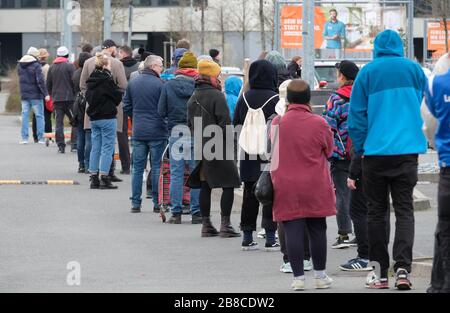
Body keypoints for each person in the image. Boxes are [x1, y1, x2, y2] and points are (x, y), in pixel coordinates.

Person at [348, 30, 428, 290]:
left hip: (375, 153)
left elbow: (357, 118)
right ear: (400, 46)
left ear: (377, 48)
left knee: (376, 212)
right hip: (407, 152)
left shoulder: (367, 73)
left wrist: (361, 148)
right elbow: (424, 107)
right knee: (405, 210)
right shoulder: (415, 70)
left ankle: (380, 273)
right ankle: (403, 270)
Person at [271, 79, 336, 291]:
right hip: (314, 183)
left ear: (288, 99)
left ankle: (298, 278)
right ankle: (320, 275)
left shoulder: (277, 124)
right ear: (308, 98)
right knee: (317, 229)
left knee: (292, 230)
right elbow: (329, 150)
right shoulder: (319, 123)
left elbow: (271, 152)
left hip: (285, 185)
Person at [187, 60, 241, 238]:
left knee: (205, 185)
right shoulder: (217, 96)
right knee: (229, 183)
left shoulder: (193, 96)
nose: (219, 78)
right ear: (211, 75)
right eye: (218, 74)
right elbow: (225, 123)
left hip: (202, 145)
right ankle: (225, 225)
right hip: (219, 145)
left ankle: (206, 225)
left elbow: (190, 123)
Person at [233, 60, 279, 250]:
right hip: (269, 152)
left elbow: (235, 123)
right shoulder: (275, 98)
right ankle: (270, 237)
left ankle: (247, 236)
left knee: (249, 193)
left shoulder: (243, 97)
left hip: (248, 151)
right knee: (269, 193)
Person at [158, 51, 201, 224]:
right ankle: (196, 212)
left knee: (176, 173)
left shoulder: (168, 85)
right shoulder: (199, 86)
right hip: (195, 132)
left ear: (179, 67)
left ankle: (176, 213)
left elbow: (161, 111)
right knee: (195, 174)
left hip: (176, 132)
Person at [123, 55, 168, 213]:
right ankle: (157, 203)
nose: (162, 69)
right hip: (157, 130)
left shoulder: (133, 82)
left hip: (139, 130)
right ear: (154, 66)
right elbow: (164, 109)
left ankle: (135, 203)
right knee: (156, 167)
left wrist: (135, 118)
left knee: (137, 168)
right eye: (161, 66)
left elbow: (126, 105)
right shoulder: (161, 84)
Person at [322, 60, 359, 248]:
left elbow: (328, 127)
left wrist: (328, 151)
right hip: (361, 153)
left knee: (342, 194)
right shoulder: (363, 95)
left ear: (342, 76)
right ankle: (361, 234)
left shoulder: (336, 99)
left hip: (341, 154)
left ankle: (344, 233)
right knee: (362, 194)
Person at [80, 39, 128, 183]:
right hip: (109, 111)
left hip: (93, 112)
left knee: (95, 144)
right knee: (108, 145)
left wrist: (90, 99)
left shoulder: (88, 64)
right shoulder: (117, 65)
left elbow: (82, 86)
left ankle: (93, 173)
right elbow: (123, 86)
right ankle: (106, 174)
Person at [424, 58, 450, 293]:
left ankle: (441, 285)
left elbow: (430, 125)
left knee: (445, 230)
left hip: (448, 167)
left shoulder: (435, 85)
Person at [85, 53, 123, 190]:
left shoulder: (91, 80)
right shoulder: (107, 80)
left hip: (94, 117)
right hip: (107, 117)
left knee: (96, 147)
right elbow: (116, 96)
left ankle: (93, 177)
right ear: (106, 65)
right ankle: (104, 177)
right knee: (107, 148)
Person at [47, 46, 76, 154]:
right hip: (70, 99)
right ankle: (74, 144)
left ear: (57, 55)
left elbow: (48, 84)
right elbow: (74, 81)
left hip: (57, 100)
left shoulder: (51, 67)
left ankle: (61, 146)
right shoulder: (70, 66)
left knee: (59, 123)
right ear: (67, 55)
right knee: (75, 121)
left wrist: (52, 95)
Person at [17, 47, 49, 145]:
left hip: (24, 94)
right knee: (39, 116)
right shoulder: (36, 65)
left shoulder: (19, 65)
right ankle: (41, 138)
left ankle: (24, 138)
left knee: (25, 115)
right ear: (35, 56)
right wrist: (46, 94)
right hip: (36, 95)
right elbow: (40, 81)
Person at [118, 45, 138, 174]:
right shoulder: (139, 66)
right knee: (137, 133)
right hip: (137, 101)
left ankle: (125, 166)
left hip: (121, 101)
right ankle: (136, 163)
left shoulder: (118, 66)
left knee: (122, 133)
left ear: (122, 53)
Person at [73, 52, 92, 173]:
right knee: (88, 136)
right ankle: (87, 163)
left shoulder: (75, 73)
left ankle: (81, 164)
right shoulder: (88, 73)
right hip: (87, 105)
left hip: (77, 104)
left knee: (80, 136)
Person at [32, 48, 52, 143]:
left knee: (36, 115)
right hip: (45, 93)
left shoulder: (34, 66)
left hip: (35, 93)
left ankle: (35, 136)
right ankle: (48, 135)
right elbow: (48, 81)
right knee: (47, 115)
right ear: (46, 57)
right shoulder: (47, 67)